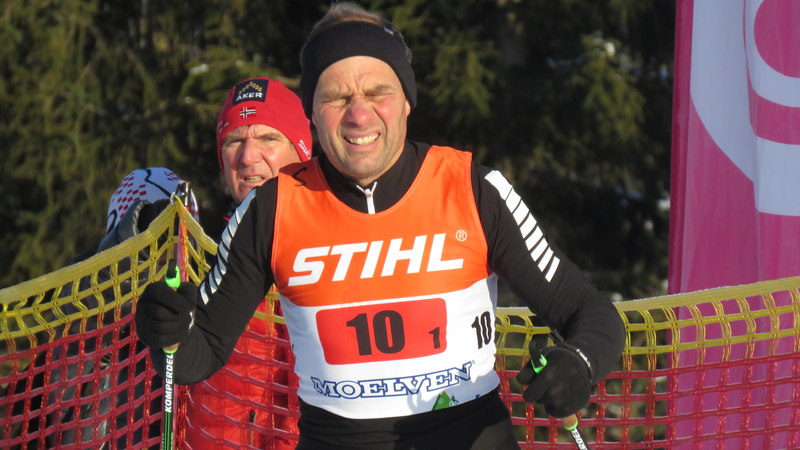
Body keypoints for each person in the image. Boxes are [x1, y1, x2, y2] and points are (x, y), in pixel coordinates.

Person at [135, 3, 626, 449]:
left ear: (407, 100)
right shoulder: (272, 208)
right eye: (336, 97)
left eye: (377, 92)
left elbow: (589, 312)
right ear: (312, 114)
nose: (358, 114)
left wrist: (577, 365)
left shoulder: (472, 189)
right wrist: (167, 330)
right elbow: (199, 353)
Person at [6, 167, 198, 449]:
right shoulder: (82, 297)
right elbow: (105, 291)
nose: (163, 258)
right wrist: (138, 242)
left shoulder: (202, 302)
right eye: (155, 242)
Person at [182, 77, 312, 449]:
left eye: (268, 138)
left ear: (301, 152)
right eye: (234, 141)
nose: (248, 156)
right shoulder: (196, 257)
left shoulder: (348, 247)